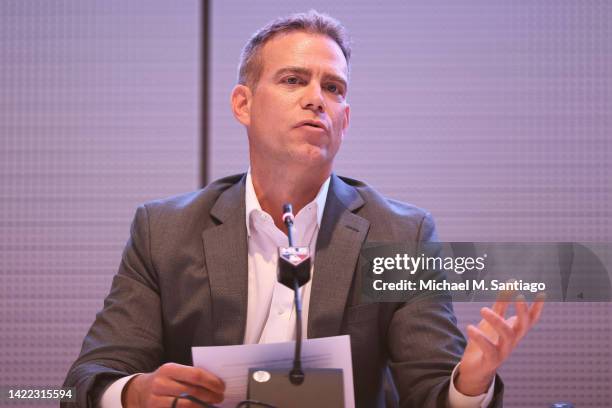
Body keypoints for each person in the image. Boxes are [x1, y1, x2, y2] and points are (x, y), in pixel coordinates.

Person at [63, 10, 544, 408]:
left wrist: (470, 383)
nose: (317, 99)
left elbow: (432, 394)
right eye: (294, 80)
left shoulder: (401, 235)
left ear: (345, 121)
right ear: (243, 104)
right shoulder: (165, 232)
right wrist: (133, 395)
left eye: (333, 88)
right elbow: (84, 382)